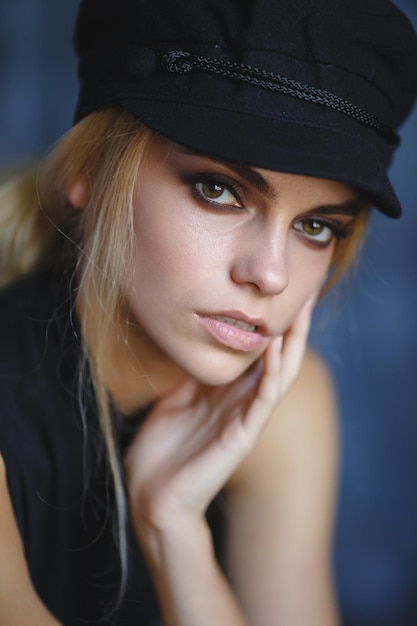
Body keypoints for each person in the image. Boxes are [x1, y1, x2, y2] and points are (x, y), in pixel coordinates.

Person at [0, 1, 416, 624]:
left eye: (316, 226)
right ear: (88, 165)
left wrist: (174, 532)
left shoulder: (283, 406)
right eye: (218, 189)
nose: (270, 274)